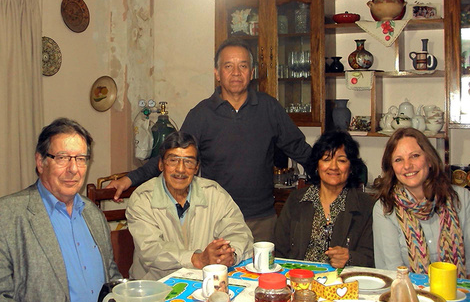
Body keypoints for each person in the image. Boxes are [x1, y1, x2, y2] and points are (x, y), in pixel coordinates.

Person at [108, 38, 312, 242]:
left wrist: (335, 175)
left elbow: (299, 148)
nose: (236, 73)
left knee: (262, 273)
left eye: (243, 66)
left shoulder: (269, 108)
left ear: (252, 72)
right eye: (228, 66)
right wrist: (130, 179)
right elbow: (170, 156)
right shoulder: (201, 115)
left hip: (261, 220)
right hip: (215, 219)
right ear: (217, 73)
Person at [0, 118, 121, 302]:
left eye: (81, 159)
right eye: (62, 158)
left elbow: (111, 277)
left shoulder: (93, 214)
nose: (73, 169)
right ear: (41, 162)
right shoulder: (7, 216)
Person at [126, 131, 253, 280]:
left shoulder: (214, 193)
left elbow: (239, 232)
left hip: (204, 283)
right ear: (161, 164)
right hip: (156, 287)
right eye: (173, 160)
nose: (181, 169)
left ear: (197, 167)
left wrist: (230, 254)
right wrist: (197, 259)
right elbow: (151, 250)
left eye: (189, 161)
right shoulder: (143, 199)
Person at [373, 127, 470, 278]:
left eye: (415, 156)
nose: (407, 166)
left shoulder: (462, 199)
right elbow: (392, 273)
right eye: (398, 160)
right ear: (392, 168)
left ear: (429, 160)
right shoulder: (385, 209)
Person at [274, 130, 374, 268]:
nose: (333, 167)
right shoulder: (297, 200)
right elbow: (279, 250)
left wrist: (350, 258)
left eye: (342, 160)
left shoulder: (365, 206)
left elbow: (372, 257)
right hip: (299, 280)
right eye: (326, 159)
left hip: (343, 282)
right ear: (317, 165)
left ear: (351, 167)